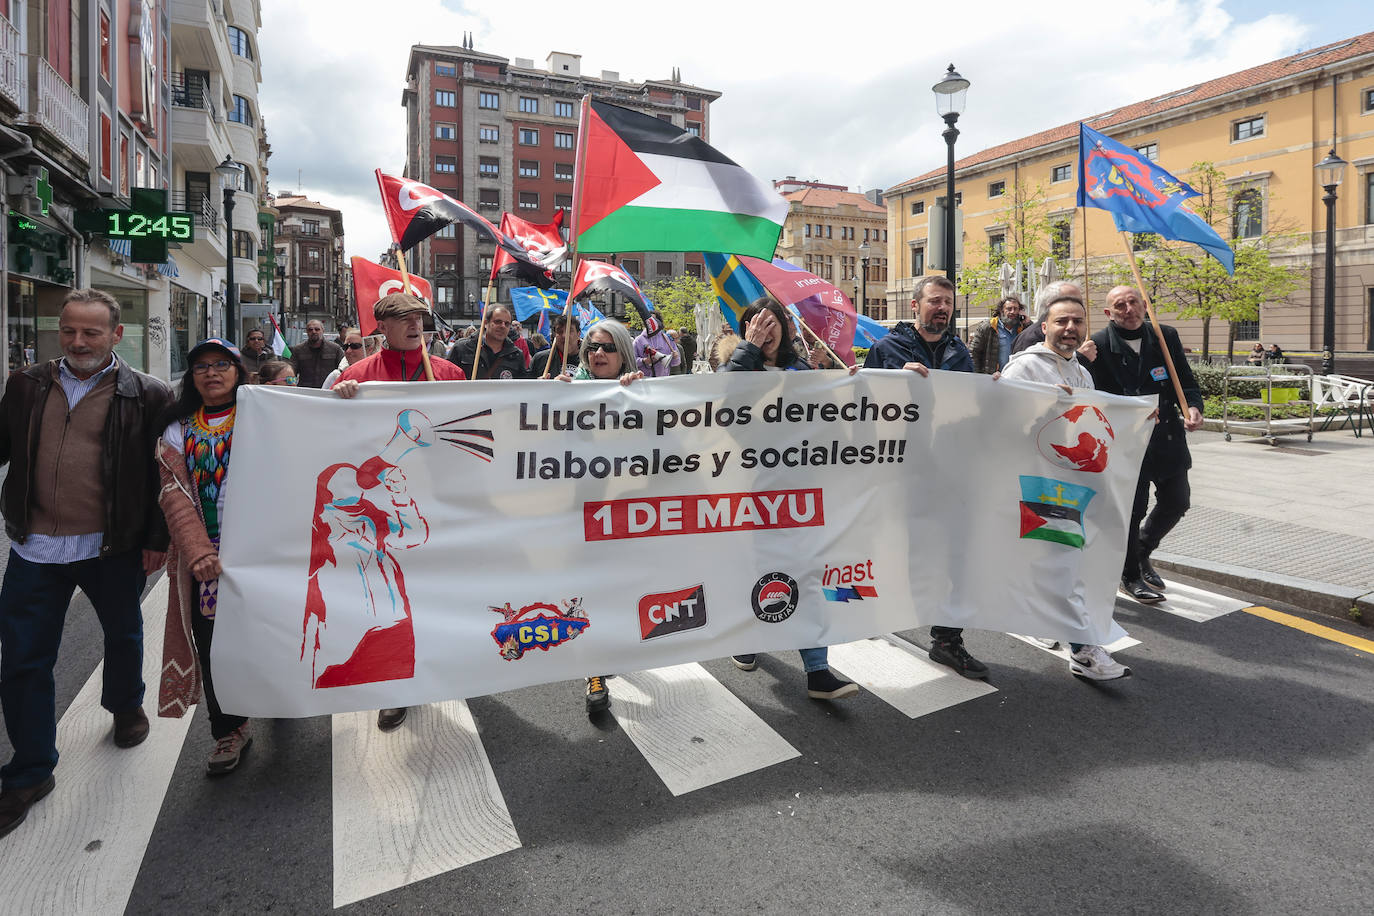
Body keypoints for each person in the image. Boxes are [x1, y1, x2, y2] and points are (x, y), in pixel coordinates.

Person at [0, 289, 173, 837]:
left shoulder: (148, 394)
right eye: (69, 331)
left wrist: (155, 537)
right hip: (35, 546)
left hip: (111, 544)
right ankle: (30, 770)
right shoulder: (26, 385)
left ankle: (126, 706)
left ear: (115, 335)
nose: (77, 342)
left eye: (90, 333)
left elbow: (160, 475)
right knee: (23, 659)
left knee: (122, 635)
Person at [333, 293, 464, 730]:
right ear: (381, 327)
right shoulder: (357, 376)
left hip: (437, 500)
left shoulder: (448, 373)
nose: (414, 325)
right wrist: (341, 398)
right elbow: (333, 436)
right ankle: (395, 689)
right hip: (382, 508)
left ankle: (441, 667)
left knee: (438, 591)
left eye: (419, 318)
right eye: (403, 319)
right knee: (391, 600)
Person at [718, 298, 860, 701]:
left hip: (800, 491)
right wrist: (748, 349)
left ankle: (817, 670)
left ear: (785, 326)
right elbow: (725, 402)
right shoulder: (734, 366)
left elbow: (829, 425)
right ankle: (747, 636)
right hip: (750, 489)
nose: (765, 327)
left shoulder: (804, 372)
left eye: (772, 320)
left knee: (806, 572)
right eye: (756, 321)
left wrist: (847, 385)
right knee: (757, 568)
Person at [999, 295, 1132, 681]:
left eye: (1077, 321)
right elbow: (1002, 423)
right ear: (1045, 327)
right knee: (1064, 568)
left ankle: (1060, 631)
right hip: (1035, 484)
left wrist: (1137, 418)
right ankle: (1084, 650)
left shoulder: (1083, 373)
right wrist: (1044, 407)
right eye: (1062, 321)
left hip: (1070, 485)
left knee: (1066, 567)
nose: (1070, 328)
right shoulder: (1023, 369)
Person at [864, 275, 987, 678]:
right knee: (896, 551)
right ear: (914, 306)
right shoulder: (887, 349)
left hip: (949, 474)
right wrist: (894, 380)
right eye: (935, 301)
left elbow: (970, 409)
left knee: (957, 555)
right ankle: (867, 612)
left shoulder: (960, 354)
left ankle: (948, 640)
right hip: (899, 473)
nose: (943, 309)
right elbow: (862, 408)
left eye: (948, 303)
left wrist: (998, 394)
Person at [156, 339, 259, 774]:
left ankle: (285, 699)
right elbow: (173, 496)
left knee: (276, 635)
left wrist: (346, 394)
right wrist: (198, 552)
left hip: (265, 555)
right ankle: (228, 730)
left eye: (222, 364)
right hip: (209, 562)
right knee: (215, 647)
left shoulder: (264, 412)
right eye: (201, 367)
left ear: (238, 371)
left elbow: (318, 432)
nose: (211, 373)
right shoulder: (177, 430)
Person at [1082, 285, 1203, 602]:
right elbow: (1086, 395)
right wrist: (1082, 362)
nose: (1128, 309)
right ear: (1109, 313)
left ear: (1144, 305)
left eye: (1133, 302)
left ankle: (1142, 551)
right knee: (1131, 512)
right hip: (1124, 444)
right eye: (1119, 305)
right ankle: (1130, 575)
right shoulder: (1098, 344)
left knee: (1177, 501)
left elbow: (1185, 381)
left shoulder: (1165, 336)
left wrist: (1192, 407)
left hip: (1167, 440)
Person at [552, 319, 643, 713]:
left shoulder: (642, 392)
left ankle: (612, 649)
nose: (598, 354)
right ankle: (593, 670)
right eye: (591, 348)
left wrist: (643, 399)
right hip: (579, 512)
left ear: (623, 352)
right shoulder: (567, 389)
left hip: (625, 514)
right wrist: (554, 400)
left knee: (616, 588)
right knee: (585, 588)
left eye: (606, 348)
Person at [446, 304, 528, 380]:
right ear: (485, 323)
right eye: (498, 322)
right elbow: (446, 377)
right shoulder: (462, 348)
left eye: (507, 324)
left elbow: (522, 388)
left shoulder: (516, 355)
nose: (503, 326)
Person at [1011, 281, 1085, 356]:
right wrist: (1081, 357)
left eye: (1079, 302)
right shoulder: (1029, 339)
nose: (1071, 327)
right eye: (1069, 301)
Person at [968, 296, 1029, 374]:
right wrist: (979, 376)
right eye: (1009, 309)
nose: (1012, 312)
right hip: (993, 379)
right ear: (1002, 310)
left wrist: (1028, 322)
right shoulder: (988, 327)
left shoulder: (1023, 329)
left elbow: (1037, 339)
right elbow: (973, 353)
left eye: (1015, 309)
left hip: (1016, 378)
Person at [291, 320, 345, 389]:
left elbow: (343, 370)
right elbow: (291, 373)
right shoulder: (297, 350)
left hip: (328, 391)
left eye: (317, 329)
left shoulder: (335, 349)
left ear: (323, 330)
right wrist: (290, 388)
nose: (313, 332)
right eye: (310, 330)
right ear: (307, 332)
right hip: (304, 392)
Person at [531, 314, 581, 379]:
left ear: (578, 334)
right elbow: (527, 387)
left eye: (569, 331)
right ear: (554, 335)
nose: (564, 335)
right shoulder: (540, 359)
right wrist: (537, 384)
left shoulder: (590, 359)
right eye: (559, 331)